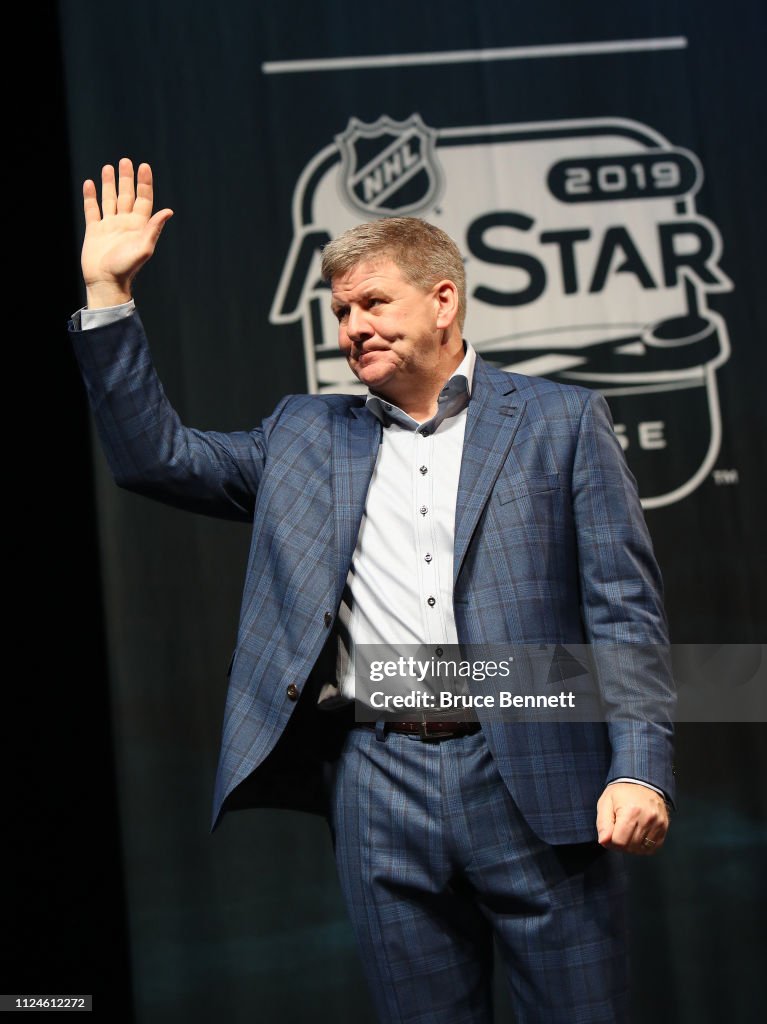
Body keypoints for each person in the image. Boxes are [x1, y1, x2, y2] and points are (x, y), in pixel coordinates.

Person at [71, 158, 675, 1023]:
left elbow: (626, 610)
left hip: (538, 772)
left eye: (373, 304)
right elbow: (153, 459)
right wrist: (107, 294)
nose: (352, 327)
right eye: (341, 311)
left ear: (442, 301)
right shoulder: (302, 435)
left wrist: (640, 772)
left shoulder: (559, 421)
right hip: (376, 778)